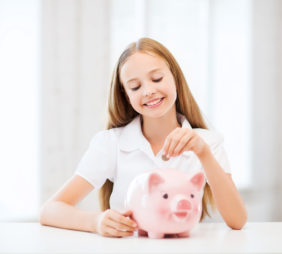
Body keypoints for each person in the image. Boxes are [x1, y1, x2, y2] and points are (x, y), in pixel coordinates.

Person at [40, 37, 247, 238]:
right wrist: (96, 222)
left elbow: (237, 220)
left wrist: (203, 153)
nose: (149, 91)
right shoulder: (111, 144)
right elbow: (50, 210)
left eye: (157, 79)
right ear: (126, 94)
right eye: (135, 87)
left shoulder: (207, 143)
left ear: (174, 76)